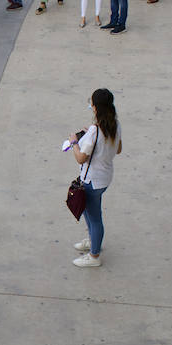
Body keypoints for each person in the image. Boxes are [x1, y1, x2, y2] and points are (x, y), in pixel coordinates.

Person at [67, 89, 123, 268]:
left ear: (96, 108)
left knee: (95, 217)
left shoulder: (94, 132)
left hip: (91, 180)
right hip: (105, 177)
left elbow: (80, 158)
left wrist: (74, 142)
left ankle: (94, 255)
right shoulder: (115, 124)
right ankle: (93, 240)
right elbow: (118, 148)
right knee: (89, 211)